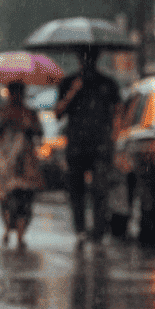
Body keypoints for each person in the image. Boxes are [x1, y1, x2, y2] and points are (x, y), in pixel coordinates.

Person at [54, 46, 121, 242]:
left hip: (100, 145)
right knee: (76, 189)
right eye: (84, 58)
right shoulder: (68, 83)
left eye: (91, 57)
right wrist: (73, 92)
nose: (87, 62)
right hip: (76, 145)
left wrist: (114, 137)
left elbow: (118, 111)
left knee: (100, 188)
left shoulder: (108, 84)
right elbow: (57, 113)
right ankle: (80, 229)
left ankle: (99, 230)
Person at [0, 82, 44, 247]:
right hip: (4, 162)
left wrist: (27, 125)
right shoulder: (2, 111)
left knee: (24, 200)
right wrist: (4, 121)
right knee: (5, 199)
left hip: (25, 164)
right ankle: (7, 228)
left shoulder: (29, 113)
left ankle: (20, 234)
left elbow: (39, 133)